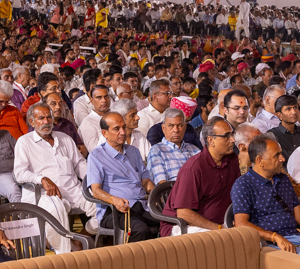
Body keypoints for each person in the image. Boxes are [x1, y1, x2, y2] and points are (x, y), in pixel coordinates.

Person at [13, 103, 97, 253]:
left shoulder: (64, 138)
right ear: (32, 122)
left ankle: (79, 239)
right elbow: (19, 173)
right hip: (45, 193)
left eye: (48, 117)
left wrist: (93, 182)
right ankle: (63, 253)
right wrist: (42, 179)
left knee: (103, 206)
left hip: (73, 189)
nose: (46, 122)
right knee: (56, 209)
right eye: (41, 118)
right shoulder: (24, 142)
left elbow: (79, 164)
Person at [88, 111, 157, 241]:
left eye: (123, 127)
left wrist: (155, 194)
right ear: (105, 133)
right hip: (115, 210)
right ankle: (133, 261)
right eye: (116, 129)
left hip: (141, 205)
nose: (123, 132)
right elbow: (96, 191)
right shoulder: (97, 156)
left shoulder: (133, 151)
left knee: (170, 220)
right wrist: (114, 200)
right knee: (140, 230)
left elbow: (145, 181)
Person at [146, 108, 200, 184]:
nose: (176, 130)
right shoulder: (157, 151)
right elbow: (162, 185)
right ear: (163, 128)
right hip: (174, 193)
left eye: (179, 125)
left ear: (184, 128)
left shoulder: (195, 151)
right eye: (171, 126)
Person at [270, 94, 300, 159]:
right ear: (279, 115)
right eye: (288, 109)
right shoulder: (272, 136)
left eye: (295, 107)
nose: (294, 112)